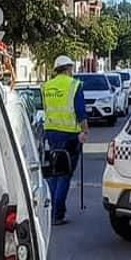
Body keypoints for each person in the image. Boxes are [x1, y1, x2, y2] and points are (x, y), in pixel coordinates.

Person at [40, 55, 87, 225]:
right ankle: (57, 214)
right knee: (65, 174)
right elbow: (80, 112)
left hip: (51, 133)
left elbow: (47, 110)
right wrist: (84, 131)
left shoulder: (47, 86)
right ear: (68, 69)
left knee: (54, 173)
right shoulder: (74, 85)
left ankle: (49, 210)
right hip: (69, 135)